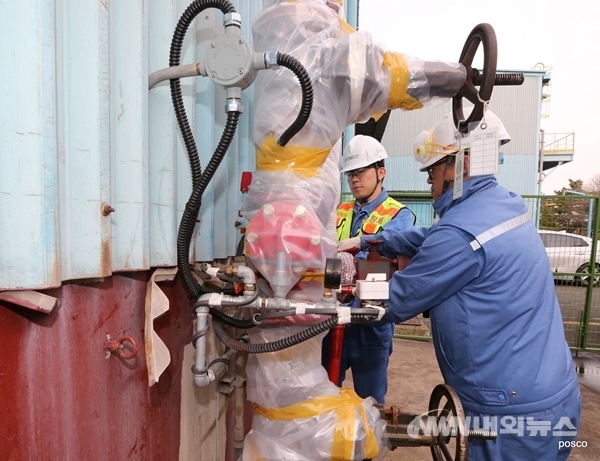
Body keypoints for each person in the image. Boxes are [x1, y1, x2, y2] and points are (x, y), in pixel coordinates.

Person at [338, 110, 581, 460]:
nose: (430, 183)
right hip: (554, 395)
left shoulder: (458, 233)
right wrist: (366, 243)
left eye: (432, 172)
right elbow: (439, 236)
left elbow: (395, 301)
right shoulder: (505, 204)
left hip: (509, 414)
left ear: (460, 165)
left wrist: (334, 302)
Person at [321, 134, 415, 404]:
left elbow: (382, 255)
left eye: (360, 172)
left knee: (371, 401)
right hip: (332, 316)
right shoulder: (340, 209)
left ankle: (369, 445)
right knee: (325, 394)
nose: (354, 180)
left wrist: (348, 254)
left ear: (381, 172)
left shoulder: (398, 214)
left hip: (370, 319)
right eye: (350, 174)